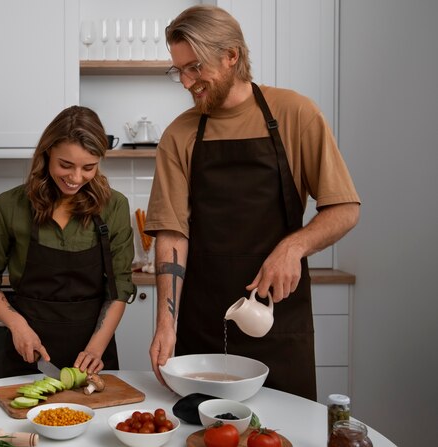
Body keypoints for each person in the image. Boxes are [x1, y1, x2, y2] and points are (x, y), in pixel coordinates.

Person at [145, 5, 360, 400]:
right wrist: (165, 323)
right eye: (179, 70)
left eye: (195, 67)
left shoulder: (296, 113)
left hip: (279, 323)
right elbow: (173, 233)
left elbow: (345, 208)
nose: (187, 82)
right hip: (204, 325)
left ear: (232, 56)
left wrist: (293, 247)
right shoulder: (180, 134)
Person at [0, 105, 136, 376]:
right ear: (46, 155)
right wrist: (18, 327)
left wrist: (95, 349)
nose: (76, 178)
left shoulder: (114, 206)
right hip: (28, 350)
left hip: (93, 353)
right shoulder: (9, 205)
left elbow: (120, 287)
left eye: (89, 167)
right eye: (65, 165)